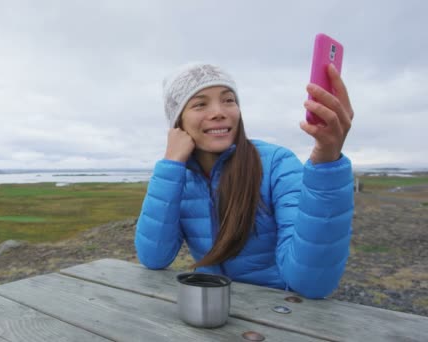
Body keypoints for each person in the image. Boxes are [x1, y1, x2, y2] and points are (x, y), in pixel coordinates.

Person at [134, 62, 354, 299]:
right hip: (212, 308)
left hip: (283, 311)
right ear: (178, 122)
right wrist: (170, 164)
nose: (219, 111)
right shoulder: (178, 177)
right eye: (199, 104)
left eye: (229, 100)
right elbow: (153, 257)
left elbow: (311, 283)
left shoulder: (276, 164)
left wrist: (326, 164)